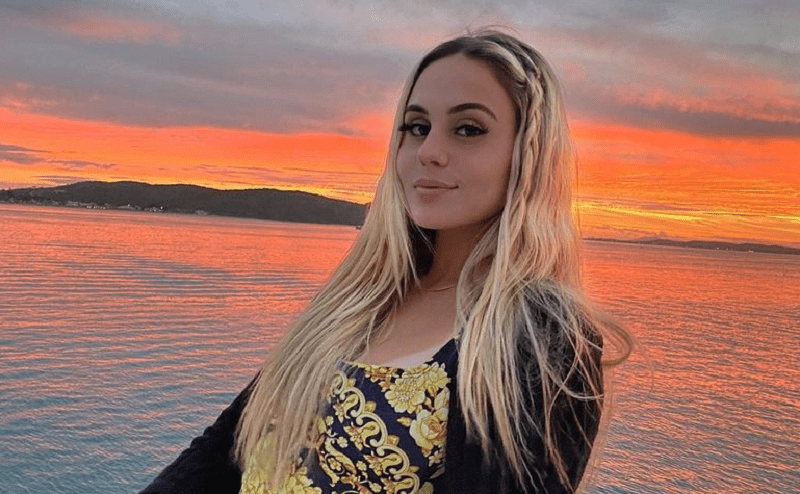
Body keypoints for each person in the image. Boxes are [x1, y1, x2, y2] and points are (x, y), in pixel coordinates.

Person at [140, 30, 631, 494]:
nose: (429, 152)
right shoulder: (358, 297)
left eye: (468, 129)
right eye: (417, 127)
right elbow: (225, 447)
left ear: (529, 154)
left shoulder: (540, 334)